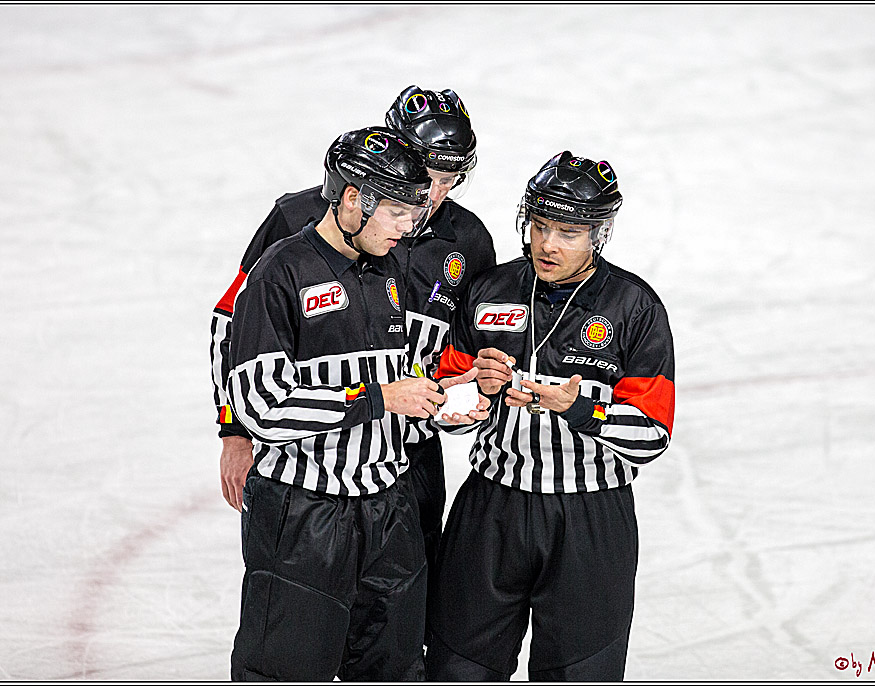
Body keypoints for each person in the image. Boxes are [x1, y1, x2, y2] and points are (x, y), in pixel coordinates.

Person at [210, 86, 495, 594]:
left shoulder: (469, 241)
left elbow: (461, 356)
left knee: (399, 625)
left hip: (407, 463)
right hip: (305, 465)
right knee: (303, 616)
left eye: (450, 180)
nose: (432, 196)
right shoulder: (301, 219)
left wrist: (455, 401)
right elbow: (232, 328)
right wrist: (234, 433)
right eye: (426, 175)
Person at [428, 151, 676, 681]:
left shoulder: (634, 307)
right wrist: (477, 388)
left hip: (590, 521)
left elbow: (652, 434)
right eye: (540, 226)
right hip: (492, 509)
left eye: (567, 231)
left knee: (579, 673)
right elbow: (440, 407)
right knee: (458, 668)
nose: (547, 244)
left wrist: (581, 408)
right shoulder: (488, 290)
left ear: (598, 236)